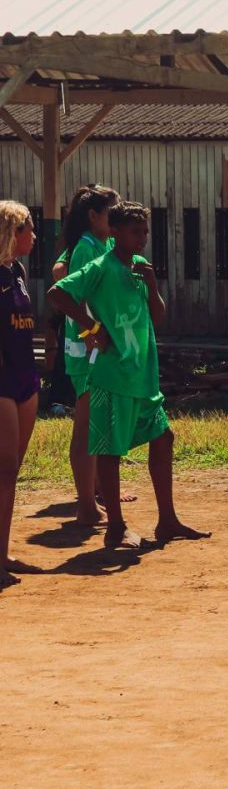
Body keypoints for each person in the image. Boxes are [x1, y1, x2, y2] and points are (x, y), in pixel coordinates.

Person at [48, 203, 207, 551]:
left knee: (163, 438)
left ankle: (167, 520)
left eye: (145, 232)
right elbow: (57, 293)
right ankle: (115, 527)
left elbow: (158, 317)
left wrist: (152, 283)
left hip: (142, 375)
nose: (143, 238)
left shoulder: (139, 268)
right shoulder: (101, 266)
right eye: (136, 232)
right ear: (115, 232)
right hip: (112, 375)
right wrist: (91, 328)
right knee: (110, 449)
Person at [52, 184, 133, 524]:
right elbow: (76, 296)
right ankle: (86, 504)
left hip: (99, 347)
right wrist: (91, 332)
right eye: (111, 212)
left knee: (98, 423)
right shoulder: (86, 247)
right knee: (85, 426)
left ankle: (97, 491)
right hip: (87, 349)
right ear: (93, 216)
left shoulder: (104, 243)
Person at [0, 202, 43, 585]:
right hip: (2, 381)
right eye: (29, 228)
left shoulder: (18, 272)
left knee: (11, 472)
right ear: (12, 232)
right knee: (3, 469)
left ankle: (3, 554)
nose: (34, 235)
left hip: (26, 379)